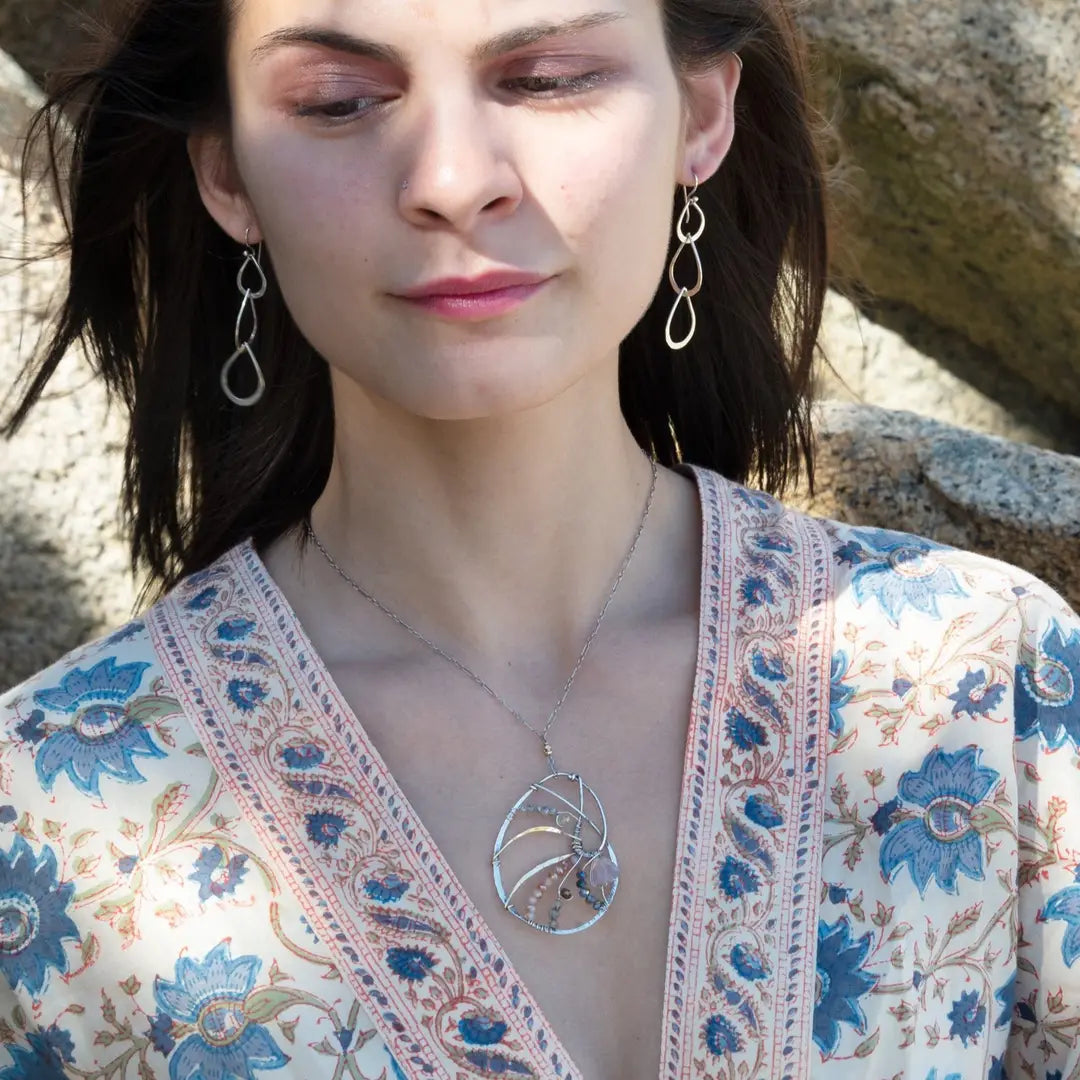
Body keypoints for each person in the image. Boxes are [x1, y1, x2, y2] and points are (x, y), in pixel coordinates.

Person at [0, 0, 1077, 1076]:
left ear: (702, 113)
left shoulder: (983, 686)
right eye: (341, 102)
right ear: (227, 173)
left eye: (549, 78)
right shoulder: (43, 820)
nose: (453, 180)